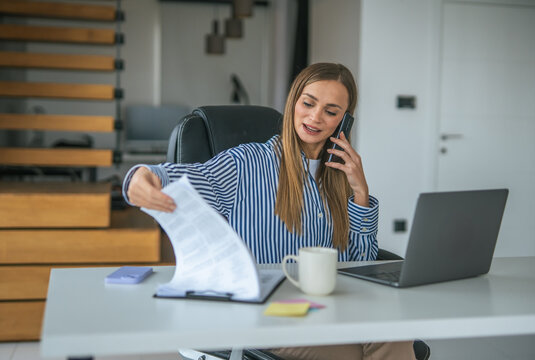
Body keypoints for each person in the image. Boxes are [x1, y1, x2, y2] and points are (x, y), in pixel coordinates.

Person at [123, 63, 415, 359]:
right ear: (293, 103)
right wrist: (141, 177)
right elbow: (180, 176)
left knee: (395, 335)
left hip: (325, 309)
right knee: (350, 353)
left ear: (344, 121)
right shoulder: (246, 163)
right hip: (268, 314)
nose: (315, 117)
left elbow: (358, 265)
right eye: (308, 103)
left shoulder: (341, 179)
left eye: (331, 111)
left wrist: (361, 195)